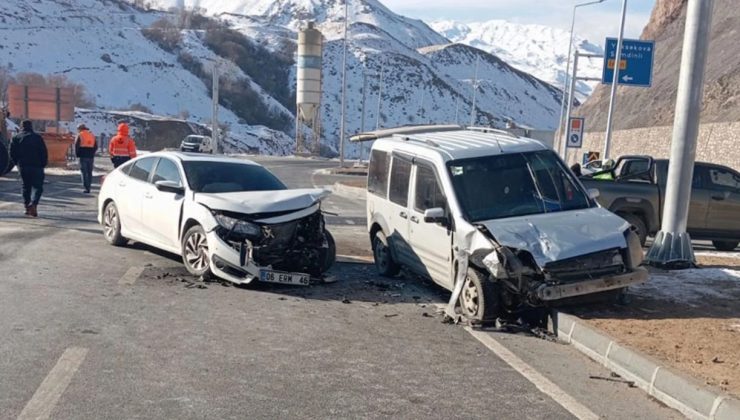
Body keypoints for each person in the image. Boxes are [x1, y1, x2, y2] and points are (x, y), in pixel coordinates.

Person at [9, 120, 48, 217]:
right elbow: (44, 152)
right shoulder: (38, 138)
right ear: (31, 126)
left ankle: (27, 207)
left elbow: (12, 153)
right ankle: (34, 204)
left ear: (21, 127)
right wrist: (43, 164)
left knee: (26, 186)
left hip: (23, 165)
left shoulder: (16, 138)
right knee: (38, 187)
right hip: (37, 166)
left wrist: (16, 163)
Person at [74, 123, 97, 193]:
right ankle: (89, 186)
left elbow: (76, 145)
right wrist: (92, 153)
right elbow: (96, 146)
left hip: (83, 155)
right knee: (89, 172)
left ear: (80, 129)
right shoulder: (92, 135)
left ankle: (86, 187)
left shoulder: (80, 135)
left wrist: (77, 155)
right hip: (90, 156)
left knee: (84, 172)